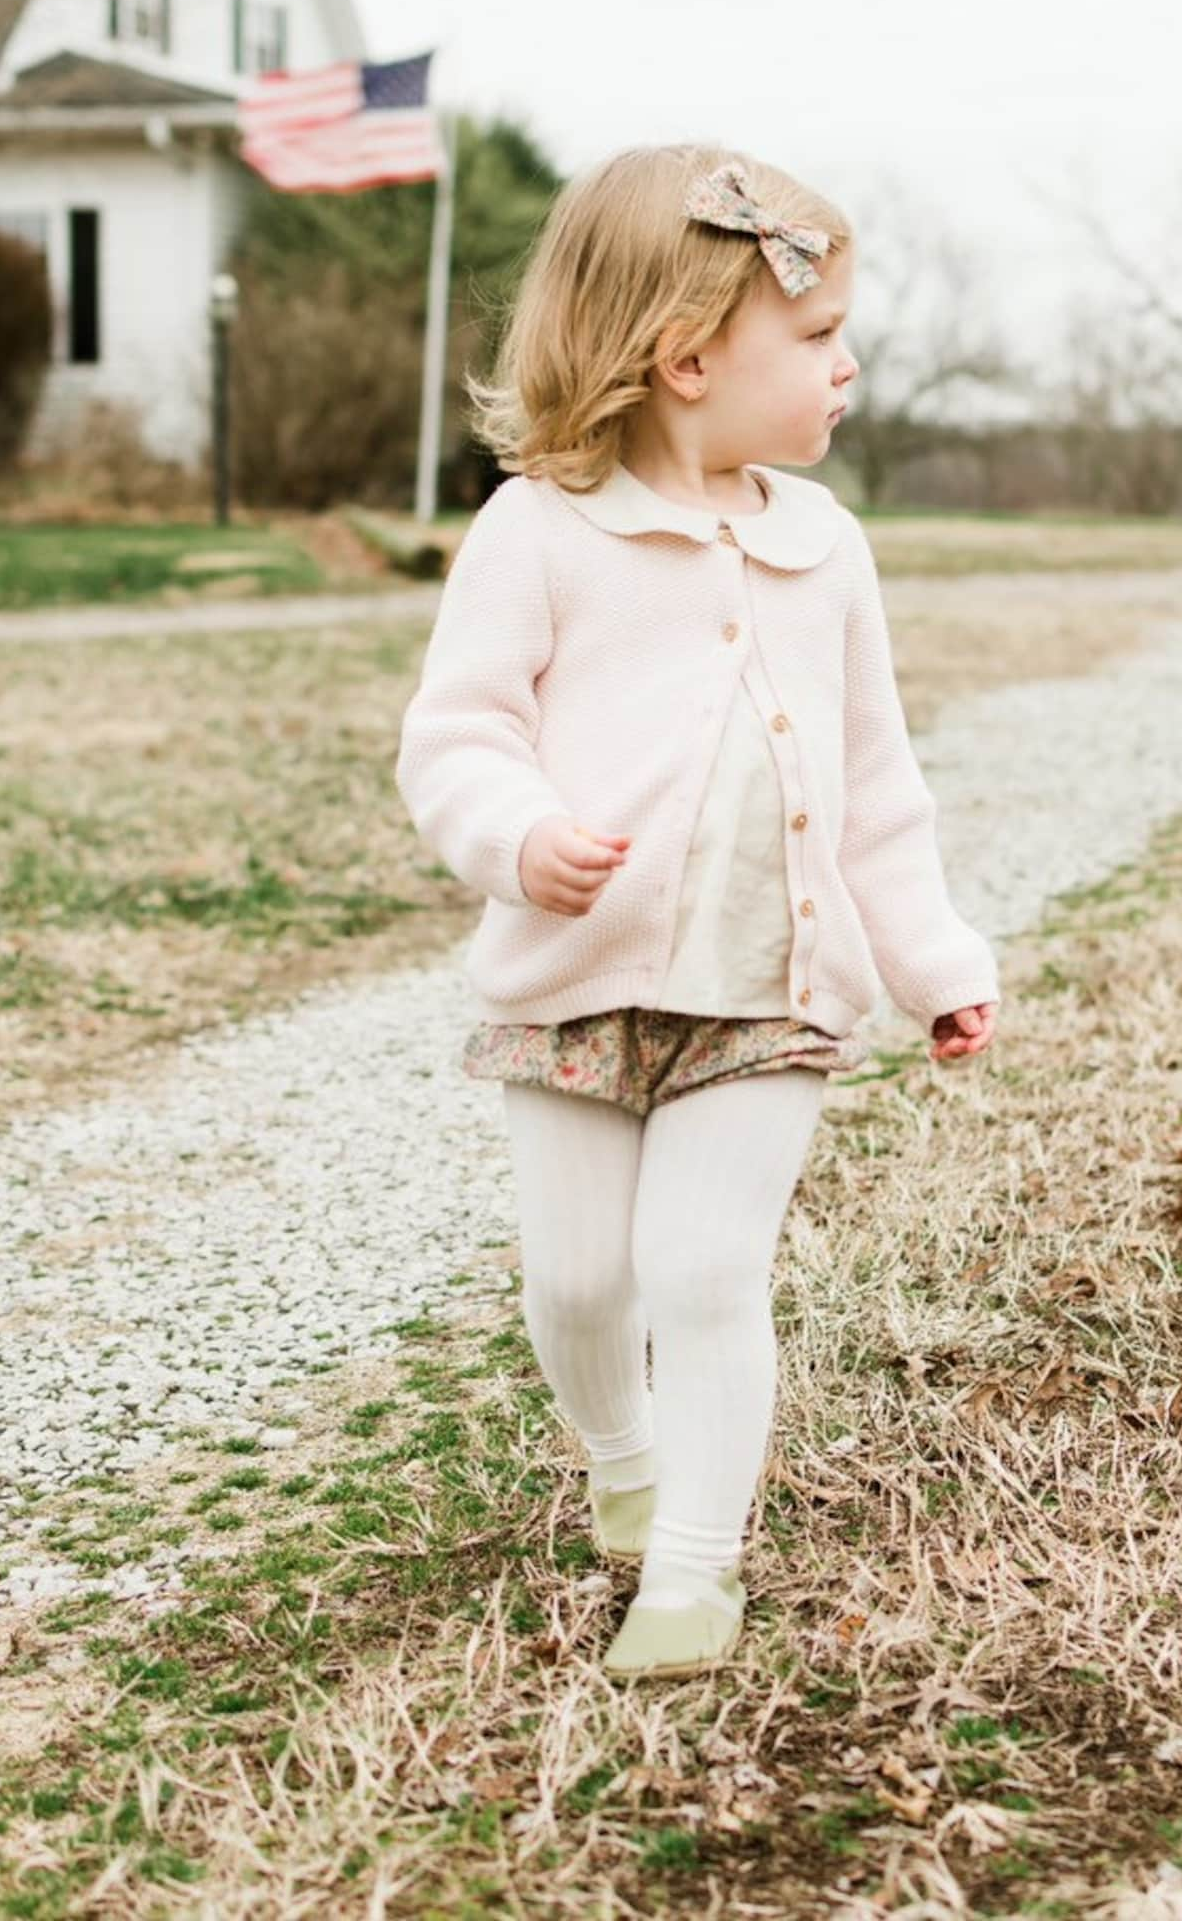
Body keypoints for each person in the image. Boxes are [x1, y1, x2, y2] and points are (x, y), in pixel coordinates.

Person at [395, 143, 1000, 1681]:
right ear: (684, 361)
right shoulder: (538, 533)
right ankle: (622, 1451)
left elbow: (875, 785)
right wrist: (519, 837)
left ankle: (693, 1573)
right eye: (816, 336)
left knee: (707, 1270)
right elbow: (456, 734)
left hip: (770, 993)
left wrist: (930, 958)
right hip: (576, 986)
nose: (846, 362)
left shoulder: (826, 549)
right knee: (581, 1279)